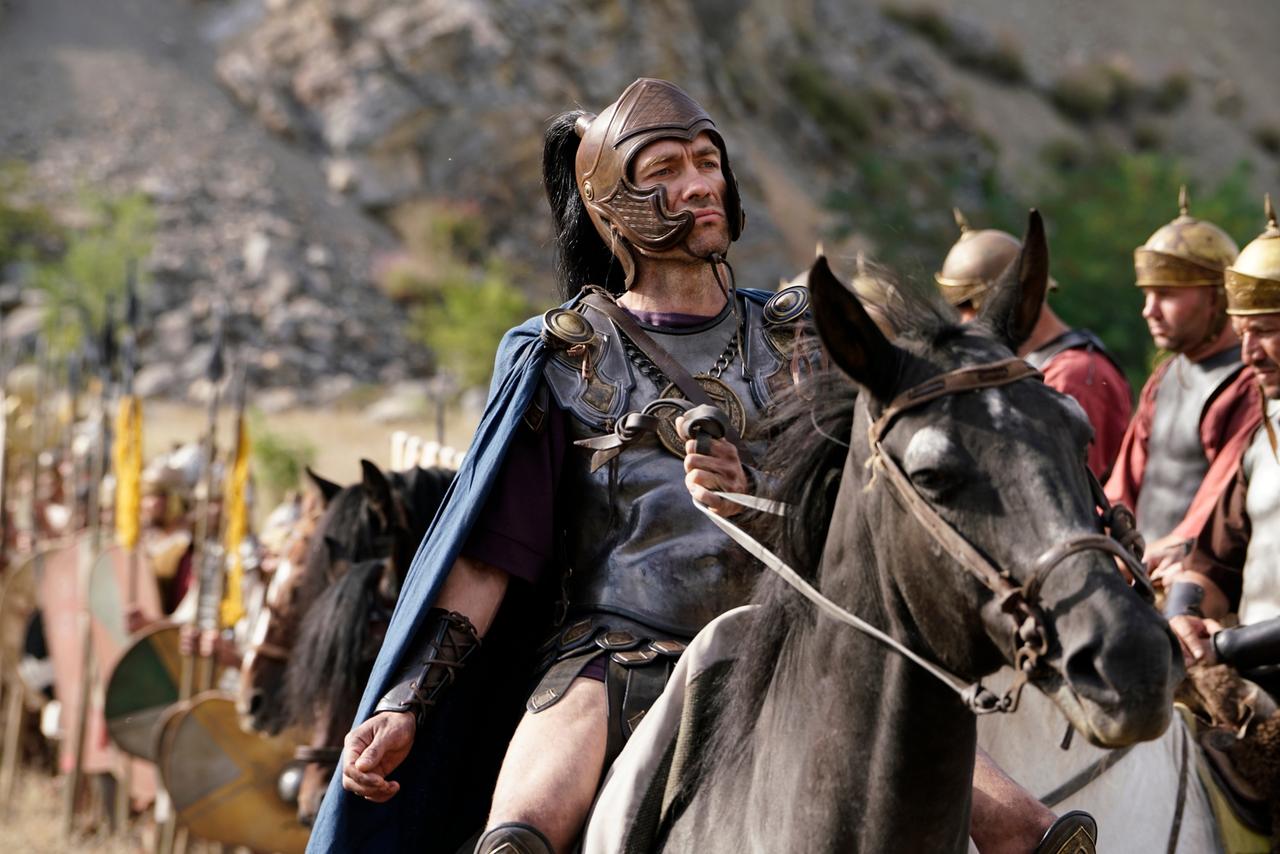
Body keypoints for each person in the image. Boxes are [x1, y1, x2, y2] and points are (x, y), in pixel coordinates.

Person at [315, 79, 1081, 854]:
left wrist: (759, 500)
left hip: (798, 645)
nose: (698, 183)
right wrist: (407, 700)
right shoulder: (566, 358)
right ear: (612, 205)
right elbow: (488, 560)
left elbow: (872, 513)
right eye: (665, 169)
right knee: (519, 837)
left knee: (1034, 835)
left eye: (707, 161)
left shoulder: (804, 342)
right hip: (615, 658)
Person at [1106, 187, 1261, 569]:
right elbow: (1123, 483)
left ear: (1217, 298)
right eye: (1147, 294)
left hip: (1196, 576)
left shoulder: (1248, 384)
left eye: (1166, 294)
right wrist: (1106, 541)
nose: (1149, 310)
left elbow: (1218, 502)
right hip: (1139, 569)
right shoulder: (1166, 375)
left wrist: (1161, 555)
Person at [1159, 195, 1280, 670]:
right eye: (1242, 333)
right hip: (1257, 680)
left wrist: (1228, 646)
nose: (1249, 353)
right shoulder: (1264, 436)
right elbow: (1213, 562)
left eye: (1265, 331)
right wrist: (1183, 614)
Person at [934, 209, 1131, 479]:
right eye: (960, 308)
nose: (964, 322)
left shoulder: (1074, 376)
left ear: (1016, 298)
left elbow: (1072, 488)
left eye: (972, 306)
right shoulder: (1029, 368)